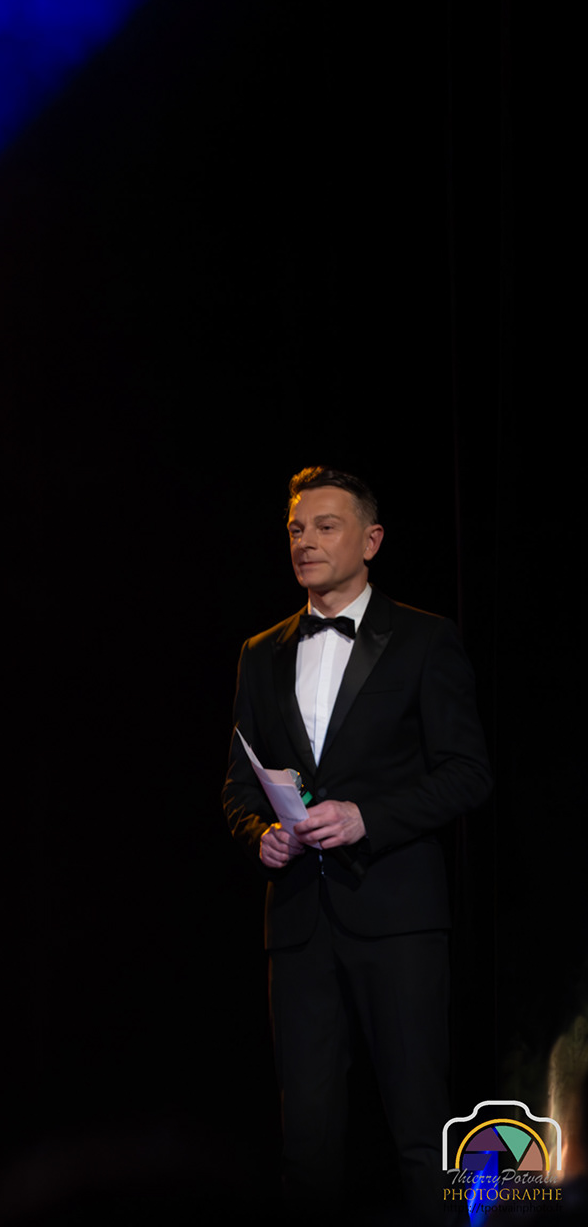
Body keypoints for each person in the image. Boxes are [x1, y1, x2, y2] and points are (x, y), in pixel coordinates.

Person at [221, 467, 492, 1217]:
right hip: (299, 923)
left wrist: (367, 815)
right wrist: (260, 835)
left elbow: (469, 774)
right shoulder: (259, 651)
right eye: (295, 529)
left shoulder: (425, 639)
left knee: (419, 1131)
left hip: (397, 919)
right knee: (306, 1143)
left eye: (325, 526)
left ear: (370, 540)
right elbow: (238, 786)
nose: (305, 541)